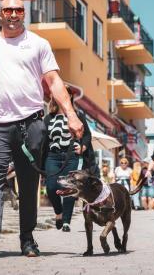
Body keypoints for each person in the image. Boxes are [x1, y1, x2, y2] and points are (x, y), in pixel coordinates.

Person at [0, 0, 83, 257]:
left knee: (28, 182)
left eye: (19, 9)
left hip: (30, 122)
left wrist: (71, 115)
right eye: (8, 10)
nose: (14, 14)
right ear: (0, 15)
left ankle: (27, 239)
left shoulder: (38, 44)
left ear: (24, 14)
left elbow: (54, 81)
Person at [42, 85, 93, 233]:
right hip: (53, 156)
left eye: (67, 92)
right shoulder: (48, 118)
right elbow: (44, 140)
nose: (64, 94)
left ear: (70, 96)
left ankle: (66, 221)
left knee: (69, 188)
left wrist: (82, 147)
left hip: (71, 156)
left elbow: (87, 135)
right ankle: (59, 212)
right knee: (51, 187)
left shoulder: (77, 115)